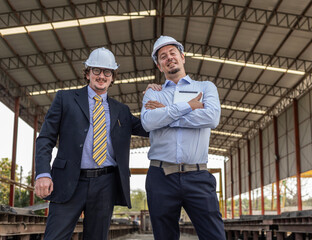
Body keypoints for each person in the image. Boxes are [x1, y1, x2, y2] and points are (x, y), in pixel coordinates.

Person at [35, 47, 149, 240]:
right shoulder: (65, 99)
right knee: (55, 236)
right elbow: (46, 138)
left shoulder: (121, 111)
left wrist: (158, 97)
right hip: (68, 179)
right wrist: (43, 173)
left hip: (105, 183)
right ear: (87, 73)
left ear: (113, 77)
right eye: (96, 70)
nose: (101, 76)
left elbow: (149, 127)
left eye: (107, 72)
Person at [141, 36, 226, 240]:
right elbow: (148, 123)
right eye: (163, 57)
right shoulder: (153, 94)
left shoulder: (206, 88)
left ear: (182, 57)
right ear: (159, 65)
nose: (169, 58)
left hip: (197, 175)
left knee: (215, 236)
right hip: (160, 175)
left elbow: (212, 118)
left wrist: (167, 114)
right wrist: (188, 106)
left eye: (172, 53)